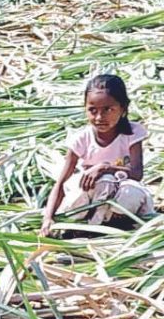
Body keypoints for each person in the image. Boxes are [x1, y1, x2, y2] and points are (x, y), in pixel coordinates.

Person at [41, 74, 153, 235]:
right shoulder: (80, 139)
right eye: (92, 110)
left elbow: (136, 173)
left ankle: (114, 224)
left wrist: (104, 168)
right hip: (90, 199)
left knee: (127, 190)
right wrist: (48, 218)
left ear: (123, 108)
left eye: (108, 109)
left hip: (121, 199)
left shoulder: (132, 133)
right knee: (102, 184)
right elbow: (60, 183)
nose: (99, 117)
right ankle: (91, 227)